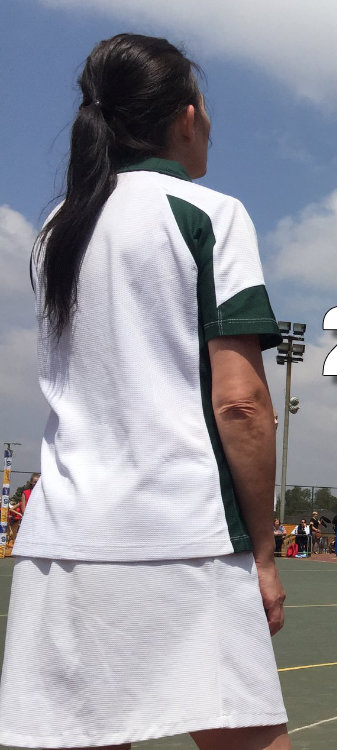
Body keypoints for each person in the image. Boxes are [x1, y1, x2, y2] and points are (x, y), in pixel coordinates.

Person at [0, 34, 289, 749]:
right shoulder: (208, 214)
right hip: (182, 533)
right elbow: (242, 403)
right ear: (186, 117)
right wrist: (262, 554)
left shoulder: (55, 229)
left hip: (64, 540)